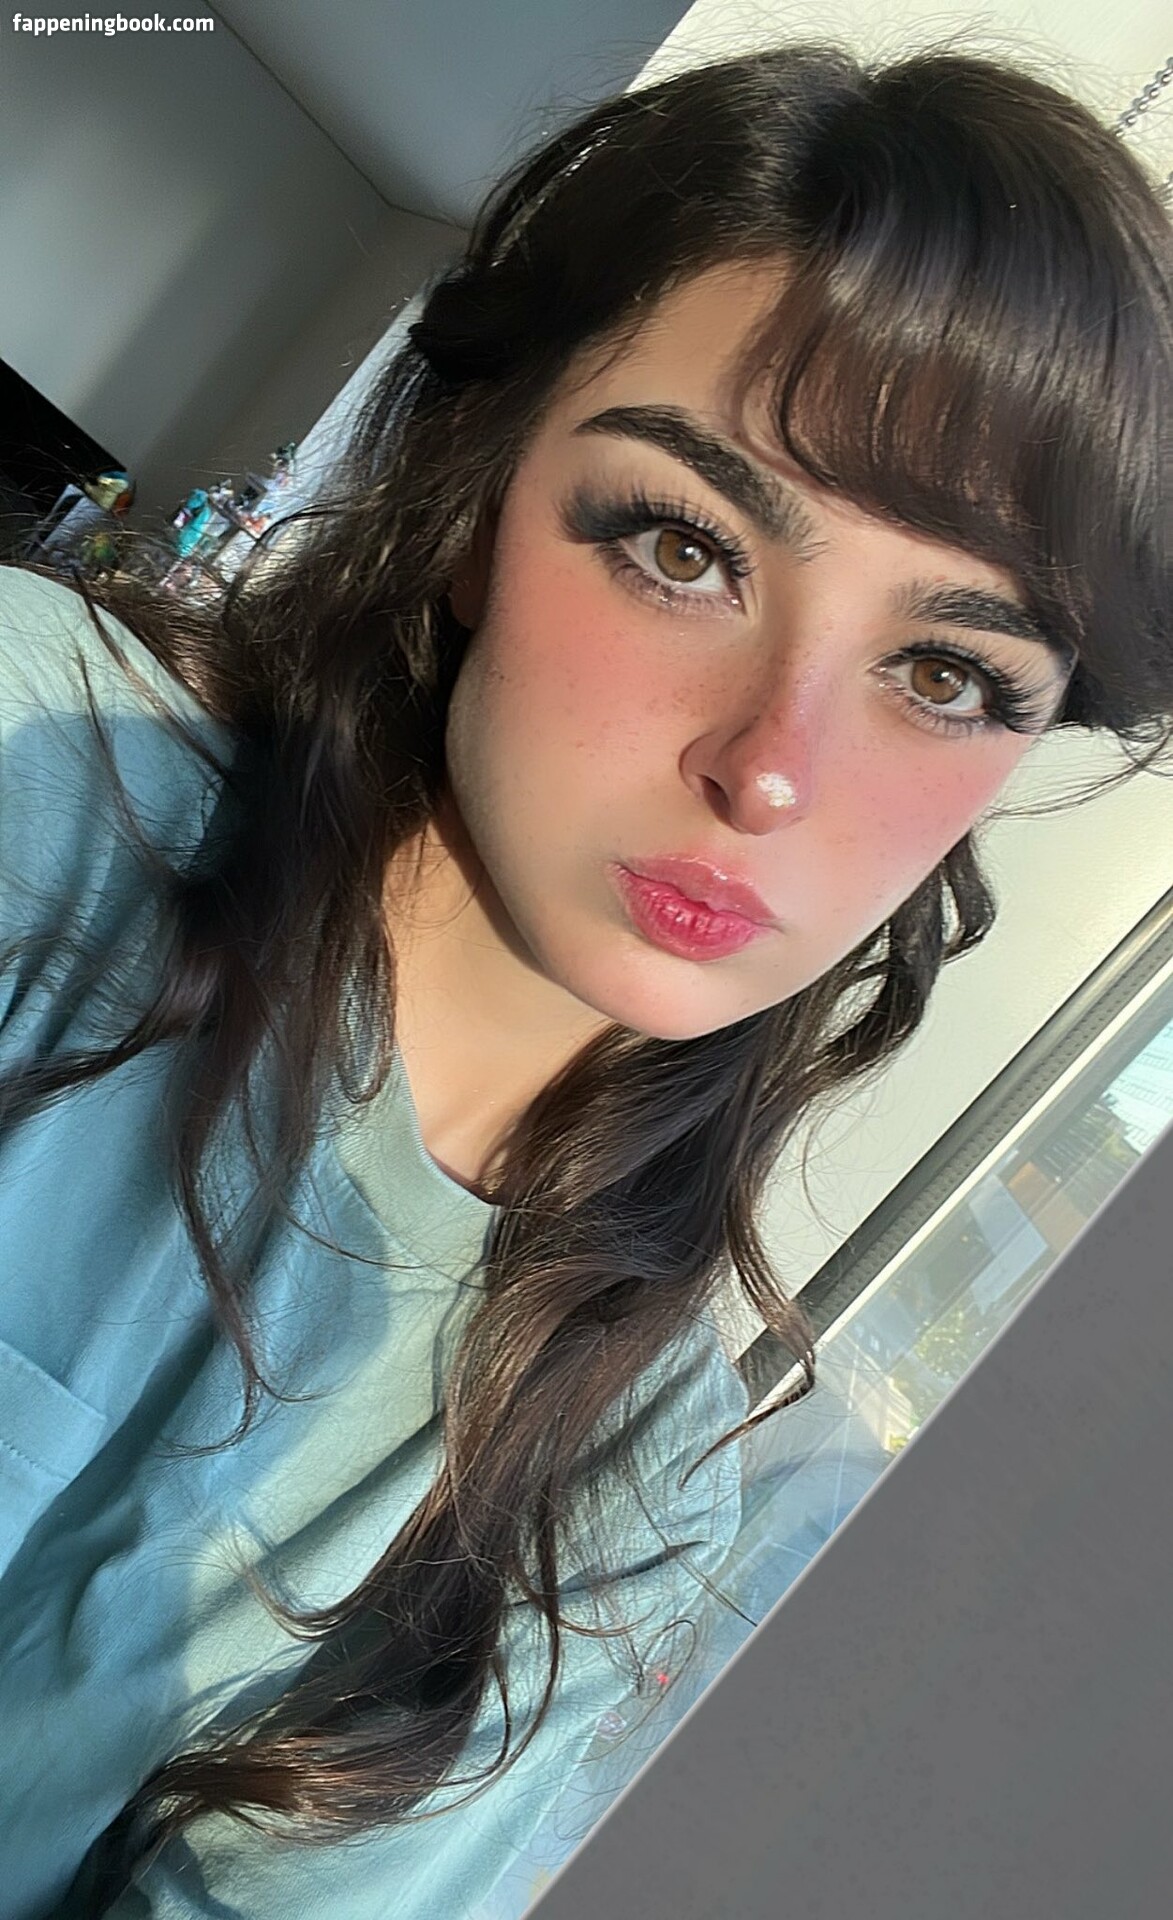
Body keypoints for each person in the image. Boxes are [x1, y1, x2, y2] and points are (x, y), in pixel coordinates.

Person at [0, 40, 1169, 1920]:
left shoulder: (622, 1476)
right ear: (478, 503)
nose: (769, 769)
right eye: (684, 547)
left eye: (945, 674)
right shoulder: (34, 788)